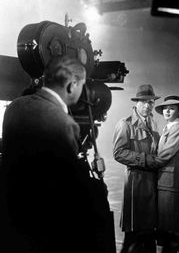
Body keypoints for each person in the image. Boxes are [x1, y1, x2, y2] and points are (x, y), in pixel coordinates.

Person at [0, 55, 106, 252]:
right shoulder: (63, 123)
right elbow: (68, 188)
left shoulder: (14, 107)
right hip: (43, 230)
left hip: (10, 221)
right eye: (81, 85)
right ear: (72, 85)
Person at [112, 84, 161, 253]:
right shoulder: (125, 124)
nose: (148, 105)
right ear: (136, 103)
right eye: (145, 102)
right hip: (136, 184)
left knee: (149, 232)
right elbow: (118, 153)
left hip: (152, 184)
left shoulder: (153, 123)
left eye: (151, 102)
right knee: (133, 231)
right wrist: (146, 159)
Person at [146, 95, 179, 253]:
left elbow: (163, 156)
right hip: (167, 181)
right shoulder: (169, 127)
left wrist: (142, 162)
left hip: (170, 182)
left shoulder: (177, 129)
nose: (167, 111)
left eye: (172, 108)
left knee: (169, 226)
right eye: (165, 108)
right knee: (175, 224)